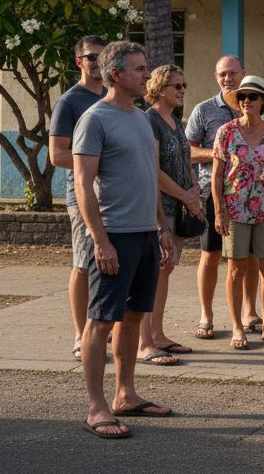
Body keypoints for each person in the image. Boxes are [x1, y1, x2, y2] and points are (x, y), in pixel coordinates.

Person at [72, 40, 175, 439]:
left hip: (146, 234)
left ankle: (125, 394)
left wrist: (162, 227)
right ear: (116, 75)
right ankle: (97, 407)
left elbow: (150, 177)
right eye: (139, 69)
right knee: (100, 321)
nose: (147, 75)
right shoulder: (95, 119)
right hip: (113, 234)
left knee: (134, 317)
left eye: (146, 67)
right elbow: (83, 184)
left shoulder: (141, 119)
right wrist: (100, 241)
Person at [186, 55, 260, 340]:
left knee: (249, 257)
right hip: (213, 193)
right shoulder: (204, 110)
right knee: (211, 254)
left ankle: (250, 312)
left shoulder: (256, 105)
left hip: (249, 196)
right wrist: (221, 155)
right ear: (216, 77)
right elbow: (188, 150)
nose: (227, 79)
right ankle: (206, 315)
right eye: (222, 74)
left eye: (232, 73)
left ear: (243, 73)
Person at [211, 75, 264, 350]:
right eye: (242, 97)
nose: (246, 101)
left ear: (263, 101)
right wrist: (218, 211)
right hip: (235, 207)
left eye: (253, 97)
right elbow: (217, 175)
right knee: (235, 269)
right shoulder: (226, 132)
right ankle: (237, 327)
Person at [139, 64, 203, 365]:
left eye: (184, 85)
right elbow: (154, 170)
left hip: (180, 206)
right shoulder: (150, 120)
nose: (182, 91)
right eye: (176, 86)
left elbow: (186, 160)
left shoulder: (176, 122)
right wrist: (184, 195)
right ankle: (144, 341)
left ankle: (158, 334)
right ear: (160, 88)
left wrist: (193, 192)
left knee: (165, 272)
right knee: (152, 274)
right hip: (159, 207)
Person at [48, 34, 106, 361]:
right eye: (91, 57)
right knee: (84, 264)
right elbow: (57, 154)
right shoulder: (69, 102)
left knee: (108, 264)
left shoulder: (114, 97)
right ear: (79, 62)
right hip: (82, 196)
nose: (97, 62)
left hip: (115, 197)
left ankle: (100, 331)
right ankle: (80, 335)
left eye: (102, 56)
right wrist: (97, 161)